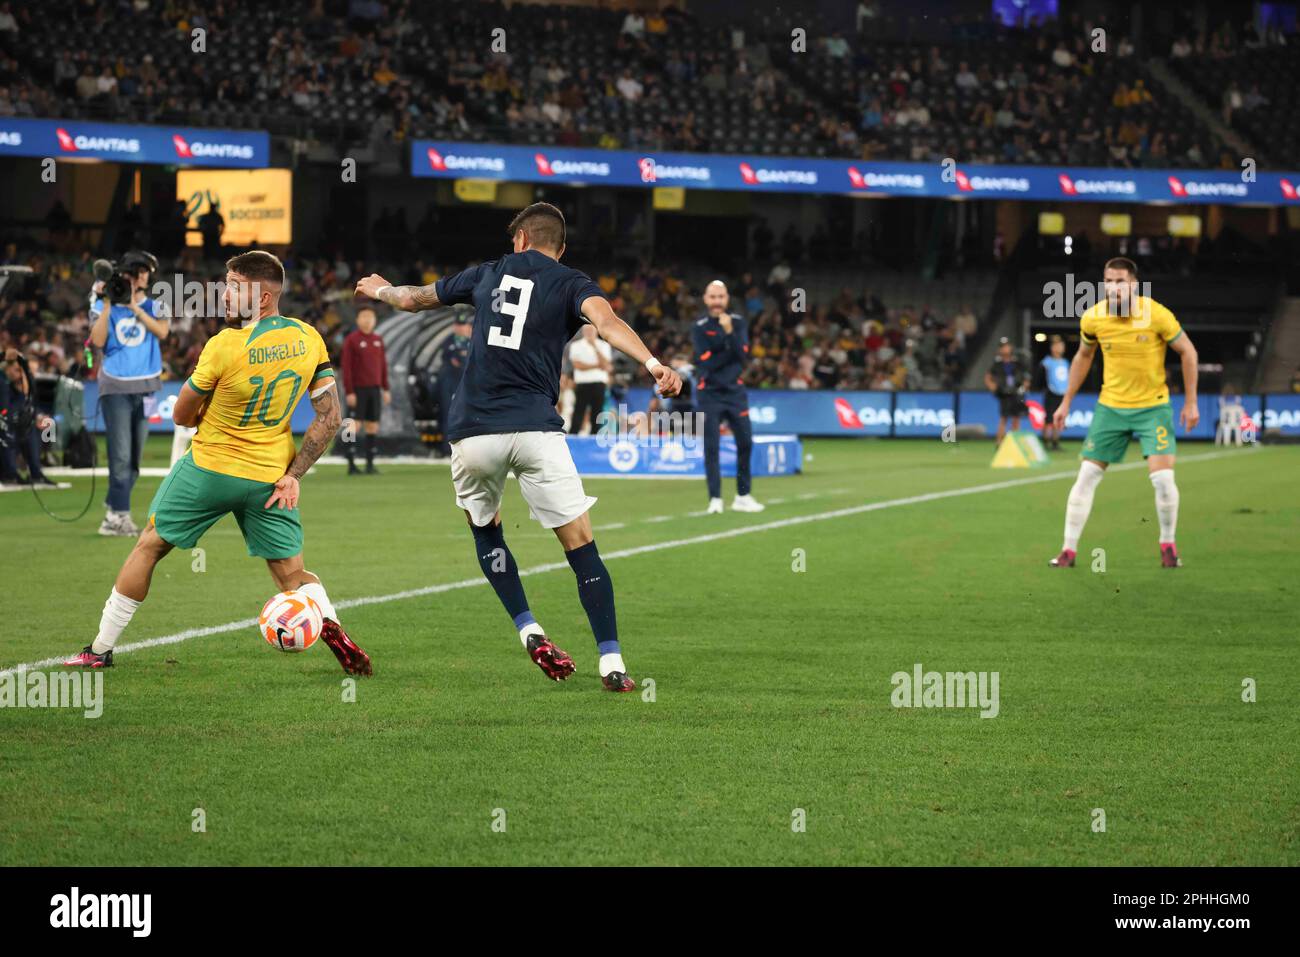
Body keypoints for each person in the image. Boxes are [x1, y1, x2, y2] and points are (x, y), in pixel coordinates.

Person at [355, 202, 681, 692]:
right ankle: (611, 662)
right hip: (535, 430)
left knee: (486, 532)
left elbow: (413, 299)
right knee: (581, 547)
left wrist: (378, 288)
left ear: (522, 239)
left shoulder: (485, 274)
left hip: (473, 432)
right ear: (561, 248)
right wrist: (654, 364)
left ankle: (529, 629)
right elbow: (608, 324)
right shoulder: (573, 283)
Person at [64, 251, 372, 675]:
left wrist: (208, 411)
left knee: (149, 546)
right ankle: (334, 630)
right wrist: (293, 476)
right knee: (292, 576)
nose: (222, 295)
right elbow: (330, 416)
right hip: (270, 479)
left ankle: (99, 649)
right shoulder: (309, 338)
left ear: (261, 298)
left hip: (210, 470)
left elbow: (180, 416)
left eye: (232, 286)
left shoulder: (224, 345)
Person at [1049, 258, 1199, 569]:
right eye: (1108, 281)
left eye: (1120, 281)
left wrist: (1191, 402)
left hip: (1153, 407)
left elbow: (1188, 351)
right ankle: (1068, 551)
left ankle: (1168, 545)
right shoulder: (1093, 318)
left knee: (1162, 479)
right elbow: (1083, 356)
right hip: (1111, 407)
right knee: (1087, 475)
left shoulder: (1156, 314)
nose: (1113, 287)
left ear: (1133, 284)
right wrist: (1066, 402)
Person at [88, 251, 169, 537]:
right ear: (124, 274)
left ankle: (113, 508)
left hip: (147, 388)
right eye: (135, 271)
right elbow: (97, 341)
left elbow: (162, 332)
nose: (140, 276)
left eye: (145, 271)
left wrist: (134, 307)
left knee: (134, 458)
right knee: (120, 456)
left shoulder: (156, 303)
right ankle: (117, 516)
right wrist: (109, 301)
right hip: (116, 388)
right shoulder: (102, 299)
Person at [693, 280, 762, 514]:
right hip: (709, 394)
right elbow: (705, 362)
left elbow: (743, 357)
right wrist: (730, 346)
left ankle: (743, 496)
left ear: (727, 298)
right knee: (711, 447)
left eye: (720, 297)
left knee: (746, 443)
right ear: (705, 299)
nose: (717, 302)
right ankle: (715, 499)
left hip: (735, 393)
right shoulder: (699, 326)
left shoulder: (739, 323)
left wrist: (728, 336)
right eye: (713, 297)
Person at [340, 306, 389, 475]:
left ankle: (370, 464)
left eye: (370, 317)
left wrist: (385, 388)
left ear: (375, 320)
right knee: (352, 424)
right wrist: (349, 391)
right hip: (357, 389)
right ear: (358, 320)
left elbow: (383, 366)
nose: (368, 320)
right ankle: (351, 463)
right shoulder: (352, 340)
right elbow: (346, 368)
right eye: (364, 316)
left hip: (374, 390)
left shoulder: (378, 340)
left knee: (372, 425)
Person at [0, 347, 55, 487]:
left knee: (47, 426)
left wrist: (39, 416)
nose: (26, 375)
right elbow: (8, 411)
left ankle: (39, 467)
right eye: (23, 371)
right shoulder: (5, 384)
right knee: (9, 432)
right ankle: (10, 473)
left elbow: (31, 405)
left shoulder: (26, 385)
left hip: (18, 423)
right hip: (7, 424)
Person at [567, 322, 612, 434]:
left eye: (591, 330)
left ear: (596, 331)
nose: (589, 332)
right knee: (579, 411)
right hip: (583, 383)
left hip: (599, 383)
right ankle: (573, 437)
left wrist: (594, 347)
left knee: (597, 413)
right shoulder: (575, 345)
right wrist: (597, 365)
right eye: (586, 330)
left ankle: (595, 436)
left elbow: (606, 365)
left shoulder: (604, 345)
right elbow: (577, 365)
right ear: (582, 331)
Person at [985, 338, 1029, 445]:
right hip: (1004, 394)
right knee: (1003, 418)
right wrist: (993, 388)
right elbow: (988, 377)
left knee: (1016, 418)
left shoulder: (1017, 362)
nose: (1005, 349)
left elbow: (1026, 378)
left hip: (1016, 394)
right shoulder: (997, 364)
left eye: (1007, 346)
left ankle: (1015, 444)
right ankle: (999, 443)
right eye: (1003, 347)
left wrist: (1023, 388)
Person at [438, 315, 471, 455]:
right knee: (448, 414)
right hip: (450, 384)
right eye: (458, 325)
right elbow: (452, 359)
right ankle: (447, 449)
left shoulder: (472, 341)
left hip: (465, 385)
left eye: (463, 325)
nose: (461, 328)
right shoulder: (448, 341)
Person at [1037, 334, 1069, 450]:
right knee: (1049, 418)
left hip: (1063, 393)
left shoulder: (1065, 362)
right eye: (1058, 345)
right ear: (1052, 347)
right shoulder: (1047, 362)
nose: (1061, 348)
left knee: (1059, 418)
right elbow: (1040, 378)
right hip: (1051, 393)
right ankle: (1045, 441)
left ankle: (1055, 442)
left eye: (1062, 345)